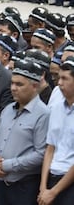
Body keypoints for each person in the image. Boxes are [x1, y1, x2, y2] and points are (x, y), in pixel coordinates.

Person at [0, 59, 49, 205]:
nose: (13, 88)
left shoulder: (43, 114)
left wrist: (8, 165)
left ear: (34, 86)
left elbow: (41, 153)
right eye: (12, 83)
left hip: (24, 187)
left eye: (19, 84)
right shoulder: (7, 110)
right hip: (0, 184)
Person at [38, 56, 74, 205]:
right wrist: (43, 187)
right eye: (59, 78)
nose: (59, 83)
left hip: (69, 182)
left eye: (65, 78)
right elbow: (50, 148)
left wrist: (54, 192)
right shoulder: (56, 108)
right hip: (51, 177)